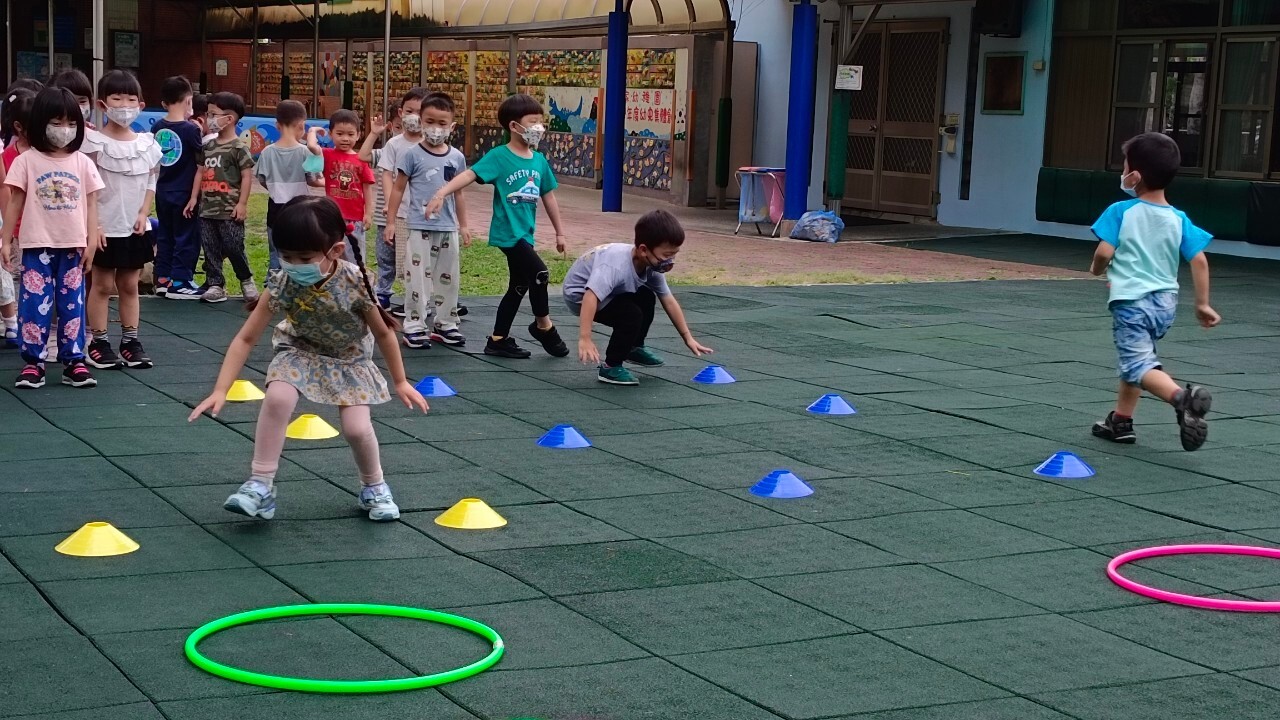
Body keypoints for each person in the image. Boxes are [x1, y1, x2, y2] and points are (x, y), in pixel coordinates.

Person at [189, 196, 428, 522]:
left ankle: (374, 486)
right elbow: (246, 337)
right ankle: (260, 484)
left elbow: (384, 333)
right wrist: (220, 389)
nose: (293, 264)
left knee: (357, 429)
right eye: (286, 256)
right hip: (299, 350)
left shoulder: (355, 282)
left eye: (304, 257)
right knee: (277, 397)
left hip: (350, 358)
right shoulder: (283, 281)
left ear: (335, 251)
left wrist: (400, 381)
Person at [1088, 131, 1219, 452]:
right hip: (1165, 304)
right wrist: (1202, 304)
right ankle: (1121, 421)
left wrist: (1096, 269)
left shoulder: (1121, 211)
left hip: (1132, 302)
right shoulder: (1178, 218)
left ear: (1135, 176)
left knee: (1138, 364)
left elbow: (1104, 252)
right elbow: (1199, 261)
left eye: (1124, 166)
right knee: (1138, 359)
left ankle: (1182, 400)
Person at [426, 93, 568, 359]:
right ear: (514, 126)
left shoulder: (538, 160)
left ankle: (498, 339)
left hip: (526, 234)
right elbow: (468, 174)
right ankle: (544, 326)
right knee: (540, 273)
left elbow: (548, 196)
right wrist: (442, 193)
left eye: (541, 122)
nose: (539, 128)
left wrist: (560, 232)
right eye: (533, 122)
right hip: (508, 233)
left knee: (519, 285)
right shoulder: (499, 156)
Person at [0, 87, 104, 389]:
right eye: (56, 123)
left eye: (71, 123)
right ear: (40, 123)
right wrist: (6, 240)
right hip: (36, 246)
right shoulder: (26, 161)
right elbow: (15, 201)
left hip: (73, 247)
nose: (65, 130)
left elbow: (92, 203)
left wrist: (92, 238)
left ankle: (74, 361)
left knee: (73, 304)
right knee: (33, 304)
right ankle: (34, 362)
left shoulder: (82, 162)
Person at [565, 210, 712, 385]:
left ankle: (633, 348)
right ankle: (611, 366)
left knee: (647, 298)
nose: (670, 261)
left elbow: (668, 299)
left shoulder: (651, 267)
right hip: (579, 296)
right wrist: (585, 338)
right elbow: (591, 296)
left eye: (674, 254)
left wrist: (687, 337)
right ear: (643, 250)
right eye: (666, 255)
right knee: (631, 314)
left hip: (608, 292)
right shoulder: (616, 266)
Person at [82, 70, 162, 371]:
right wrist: (95, 225)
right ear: (103, 105)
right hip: (103, 227)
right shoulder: (92, 143)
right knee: (101, 285)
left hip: (134, 226)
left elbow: (151, 181)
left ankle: (130, 341)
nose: (124, 104)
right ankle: (98, 342)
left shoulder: (147, 144)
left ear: (141, 105)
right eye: (117, 98)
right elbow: (86, 188)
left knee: (129, 284)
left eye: (131, 98)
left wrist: (144, 213)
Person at [385, 92, 470, 348]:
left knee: (449, 277)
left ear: (452, 126)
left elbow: (459, 193)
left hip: (447, 227)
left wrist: (463, 225)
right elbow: (398, 189)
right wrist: (390, 222)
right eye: (430, 121)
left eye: (442, 123)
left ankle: (446, 324)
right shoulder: (410, 154)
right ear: (420, 122)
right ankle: (414, 325)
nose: (435, 128)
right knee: (417, 279)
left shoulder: (456, 157)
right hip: (418, 227)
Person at [196, 92, 257, 304]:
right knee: (210, 247)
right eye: (208, 113)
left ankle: (246, 279)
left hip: (229, 209)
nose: (209, 118)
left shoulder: (239, 148)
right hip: (207, 209)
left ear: (229, 119)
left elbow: (247, 176)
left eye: (213, 114)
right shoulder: (208, 147)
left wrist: (242, 204)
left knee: (233, 245)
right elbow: (200, 172)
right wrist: (193, 199)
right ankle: (215, 283)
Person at [152, 76, 203, 299]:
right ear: (188, 100)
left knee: (165, 234)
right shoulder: (191, 130)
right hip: (184, 193)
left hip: (162, 192)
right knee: (187, 236)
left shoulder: (157, 127)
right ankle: (181, 280)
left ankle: (163, 279)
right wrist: (194, 197)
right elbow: (200, 166)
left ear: (164, 102)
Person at [253, 99, 315, 280]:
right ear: (301, 125)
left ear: (277, 125)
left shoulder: (267, 152)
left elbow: (262, 180)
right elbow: (311, 178)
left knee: (276, 250)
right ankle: (299, 283)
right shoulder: (305, 152)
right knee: (301, 248)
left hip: (275, 208)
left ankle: (273, 285)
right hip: (300, 208)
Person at [309, 109, 374, 265]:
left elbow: (367, 187)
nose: (345, 139)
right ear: (330, 134)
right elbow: (312, 147)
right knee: (331, 256)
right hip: (332, 217)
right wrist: (312, 131)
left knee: (355, 260)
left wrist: (369, 213)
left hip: (355, 220)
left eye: (350, 134)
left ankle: (357, 285)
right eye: (340, 134)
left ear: (358, 135)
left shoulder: (361, 159)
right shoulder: (327, 154)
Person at [0, 87, 37, 348]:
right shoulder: (8, 157)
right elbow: (7, 194)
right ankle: (14, 323)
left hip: (40, 228)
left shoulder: (48, 155)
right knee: (12, 274)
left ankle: (27, 324)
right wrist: (8, 229)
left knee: (33, 277)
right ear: (18, 126)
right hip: (17, 227)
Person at [358, 102, 399, 309]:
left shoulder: (420, 152)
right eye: (398, 127)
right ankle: (383, 293)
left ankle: (420, 298)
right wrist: (373, 134)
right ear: (391, 127)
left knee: (412, 260)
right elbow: (363, 156)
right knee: (385, 258)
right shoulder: (386, 152)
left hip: (411, 219)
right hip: (385, 218)